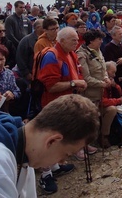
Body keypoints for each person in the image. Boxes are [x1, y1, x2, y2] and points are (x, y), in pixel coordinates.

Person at [36, 27, 87, 193]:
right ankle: (45, 175)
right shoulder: (52, 56)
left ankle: (55, 166)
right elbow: (51, 86)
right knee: (50, 139)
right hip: (52, 105)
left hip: (65, 104)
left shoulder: (70, 53)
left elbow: (75, 73)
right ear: (62, 40)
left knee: (59, 137)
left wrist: (77, 83)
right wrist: (74, 84)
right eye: (73, 39)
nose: (76, 42)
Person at [77, 29, 112, 149]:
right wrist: (102, 83)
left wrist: (106, 78)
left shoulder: (97, 51)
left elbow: (103, 69)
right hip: (89, 94)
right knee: (87, 119)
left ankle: (95, 139)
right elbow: (86, 78)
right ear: (91, 41)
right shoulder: (82, 54)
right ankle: (83, 145)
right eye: (99, 39)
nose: (101, 42)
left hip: (99, 93)